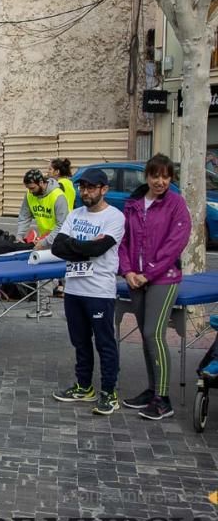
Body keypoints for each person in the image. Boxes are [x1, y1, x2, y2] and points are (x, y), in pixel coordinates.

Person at [118, 153, 192, 421]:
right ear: (147, 176)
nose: (160, 181)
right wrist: (127, 271)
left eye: (165, 176)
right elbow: (123, 241)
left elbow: (175, 243)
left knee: (153, 333)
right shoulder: (134, 204)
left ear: (170, 178)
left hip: (163, 277)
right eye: (155, 175)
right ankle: (152, 390)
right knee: (146, 337)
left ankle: (164, 399)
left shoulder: (176, 204)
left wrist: (148, 274)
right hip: (135, 279)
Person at [49, 169, 125, 415]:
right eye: (83, 187)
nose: (86, 192)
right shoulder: (75, 214)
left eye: (91, 188)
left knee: (104, 343)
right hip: (73, 288)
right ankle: (84, 386)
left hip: (99, 291)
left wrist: (78, 246)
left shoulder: (114, 217)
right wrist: (85, 248)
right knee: (79, 341)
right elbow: (59, 246)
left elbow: (101, 247)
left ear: (104, 189)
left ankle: (109, 392)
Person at [16, 169, 68, 249]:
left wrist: (46, 241)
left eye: (32, 188)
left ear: (41, 183)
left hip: (60, 240)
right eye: (28, 188)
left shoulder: (58, 196)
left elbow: (62, 225)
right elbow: (24, 217)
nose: (30, 191)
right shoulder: (29, 194)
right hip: (44, 239)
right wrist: (20, 235)